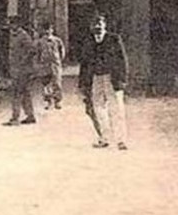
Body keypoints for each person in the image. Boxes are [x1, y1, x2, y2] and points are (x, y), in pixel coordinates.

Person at [78, 13, 129, 149]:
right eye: (95, 24)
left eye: (100, 24)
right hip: (95, 78)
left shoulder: (114, 39)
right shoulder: (88, 42)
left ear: (105, 25)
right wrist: (83, 84)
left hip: (112, 78)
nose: (98, 26)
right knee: (98, 109)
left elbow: (122, 60)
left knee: (116, 109)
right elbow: (84, 63)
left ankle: (121, 140)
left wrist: (122, 80)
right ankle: (104, 138)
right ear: (91, 27)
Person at [3, 22, 38, 126]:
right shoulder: (13, 35)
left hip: (22, 70)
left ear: (16, 24)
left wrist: (23, 60)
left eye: (11, 23)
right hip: (17, 69)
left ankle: (15, 118)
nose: (9, 25)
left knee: (16, 93)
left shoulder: (23, 35)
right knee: (25, 93)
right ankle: (30, 116)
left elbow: (32, 49)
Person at [36, 24, 66, 109]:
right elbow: (38, 53)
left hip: (55, 64)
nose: (47, 32)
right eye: (45, 30)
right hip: (45, 64)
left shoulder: (57, 40)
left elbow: (62, 51)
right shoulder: (40, 42)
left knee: (57, 83)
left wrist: (59, 60)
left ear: (52, 30)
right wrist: (39, 63)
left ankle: (57, 101)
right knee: (46, 83)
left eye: (49, 29)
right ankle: (48, 102)